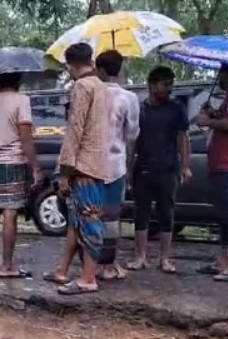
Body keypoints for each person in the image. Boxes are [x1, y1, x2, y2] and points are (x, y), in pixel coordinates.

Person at [43, 43, 110, 295]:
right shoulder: (101, 86)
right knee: (76, 221)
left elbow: (74, 131)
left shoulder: (82, 87)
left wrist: (65, 170)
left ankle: (88, 277)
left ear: (70, 65)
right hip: (98, 161)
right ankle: (63, 269)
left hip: (84, 166)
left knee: (89, 219)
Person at [0, 72, 42, 278]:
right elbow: (26, 137)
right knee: (10, 213)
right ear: (18, 82)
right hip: (14, 162)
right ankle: (7, 266)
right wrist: (36, 167)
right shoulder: (22, 101)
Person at [126, 66, 191, 274]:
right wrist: (127, 167)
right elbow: (133, 140)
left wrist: (185, 165)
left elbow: (183, 138)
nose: (169, 89)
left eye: (171, 85)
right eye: (165, 85)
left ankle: (165, 259)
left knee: (166, 213)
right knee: (141, 213)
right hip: (143, 168)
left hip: (168, 168)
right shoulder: (140, 109)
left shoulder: (177, 108)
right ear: (151, 85)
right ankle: (140, 256)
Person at [94, 50, 140, 281]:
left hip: (90, 165)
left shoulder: (90, 94)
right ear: (120, 68)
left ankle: (91, 263)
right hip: (115, 165)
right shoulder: (129, 98)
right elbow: (132, 135)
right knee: (112, 217)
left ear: (99, 70)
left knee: (91, 215)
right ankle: (109, 265)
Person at [196, 64, 228, 281]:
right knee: (225, 215)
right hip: (220, 163)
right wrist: (214, 113)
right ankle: (224, 259)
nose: (219, 76)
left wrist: (209, 121)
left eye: (222, 72)